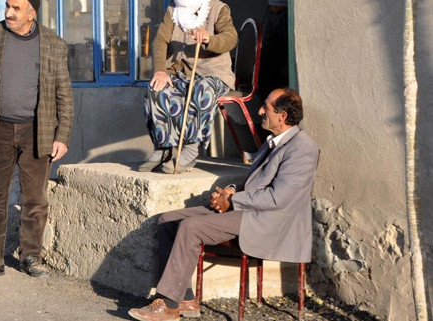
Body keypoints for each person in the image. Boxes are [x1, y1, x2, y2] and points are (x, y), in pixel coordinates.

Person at [128, 88, 319, 321]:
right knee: (168, 220)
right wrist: (230, 191)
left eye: (266, 107)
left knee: (191, 227)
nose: (259, 111)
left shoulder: (302, 147)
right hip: (251, 211)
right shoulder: (273, 142)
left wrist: (232, 201)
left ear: (282, 116)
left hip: (271, 221)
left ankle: (167, 304)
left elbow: (279, 198)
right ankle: (186, 299)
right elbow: (255, 183)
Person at [0, 0, 74, 280]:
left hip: (36, 130)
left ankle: (31, 256)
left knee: (34, 198)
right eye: (7, 6)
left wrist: (62, 135)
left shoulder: (54, 44)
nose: (8, 13)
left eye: (15, 8)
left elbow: (64, 93)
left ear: (31, 14)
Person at [141, 0, 237, 173]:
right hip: (181, 72)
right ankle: (163, 145)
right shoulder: (172, 12)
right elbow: (160, 41)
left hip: (214, 74)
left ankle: (192, 148)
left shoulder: (218, 9)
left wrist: (209, 39)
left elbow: (230, 38)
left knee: (201, 90)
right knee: (157, 88)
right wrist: (160, 70)